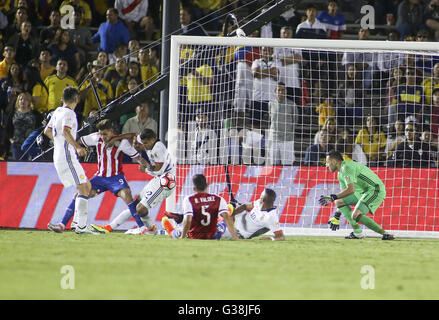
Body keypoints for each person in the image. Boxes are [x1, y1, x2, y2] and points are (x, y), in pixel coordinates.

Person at [47, 119, 149, 233]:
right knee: (80, 194)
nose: (103, 136)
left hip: (116, 178)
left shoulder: (121, 143)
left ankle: (142, 227)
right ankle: (62, 225)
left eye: (105, 134)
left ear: (111, 131)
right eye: (101, 133)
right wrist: (75, 145)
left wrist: (147, 166)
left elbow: (138, 158)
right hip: (99, 177)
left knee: (128, 197)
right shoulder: (96, 138)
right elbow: (79, 140)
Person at [91, 128, 176, 235]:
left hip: (165, 182)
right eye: (143, 142)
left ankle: (152, 230)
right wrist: (116, 138)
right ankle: (109, 227)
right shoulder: (147, 141)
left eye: (146, 143)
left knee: (140, 209)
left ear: (153, 139)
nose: (144, 145)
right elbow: (132, 135)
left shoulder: (158, 149)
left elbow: (158, 169)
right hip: (158, 179)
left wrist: (146, 169)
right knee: (135, 206)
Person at [43, 87, 93, 234]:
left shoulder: (57, 111)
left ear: (62, 99)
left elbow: (47, 131)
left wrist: (59, 142)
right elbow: (65, 131)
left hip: (59, 155)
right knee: (84, 188)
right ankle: (81, 227)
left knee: (86, 186)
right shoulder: (70, 113)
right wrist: (77, 147)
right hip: (67, 156)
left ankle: (72, 223)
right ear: (77, 99)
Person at [320, 149, 395, 240]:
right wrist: (337, 215)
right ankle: (357, 233)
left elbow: (350, 190)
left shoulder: (347, 168)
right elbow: (344, 195)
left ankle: (385, 234)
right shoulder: (340, 174)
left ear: (335, 162)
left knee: (355, 215)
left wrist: (333, 197)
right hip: (363, 192)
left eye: (328, 162)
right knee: (339, 201)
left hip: (375, 190)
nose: (326, 165)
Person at [161, 174, 240, 240]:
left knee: (176, 233)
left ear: (194, 188)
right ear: (207, 186)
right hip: (212, 236)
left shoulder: (189, 199)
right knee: (223, 223)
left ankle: (171, 230)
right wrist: (236, 238)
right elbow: (228, 219)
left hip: (194, 236)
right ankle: (225, 213)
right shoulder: (218, 199)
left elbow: (188, 220)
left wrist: (183, 236)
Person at [267, 82, 298, 165]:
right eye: (279, 90)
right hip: (274, 137)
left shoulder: (292, 104)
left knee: (288, 164)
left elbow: (295, 120)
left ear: (286, 91)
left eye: (283, 90)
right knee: (274, 164)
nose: (281, 92)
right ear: (275, 91)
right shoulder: (270, 103)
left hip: (287, 138)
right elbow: (271, 118)